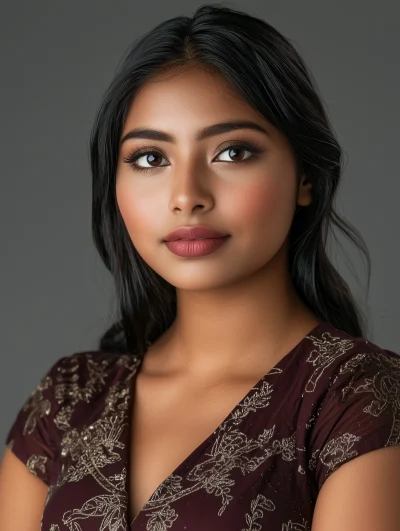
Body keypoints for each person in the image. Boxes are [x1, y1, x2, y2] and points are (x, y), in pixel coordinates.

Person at [1, 4, 399, 530]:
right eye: (150, 158)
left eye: (232, 152)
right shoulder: (67, 399)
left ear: (306, 177)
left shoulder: (356, 397)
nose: (186, 195)